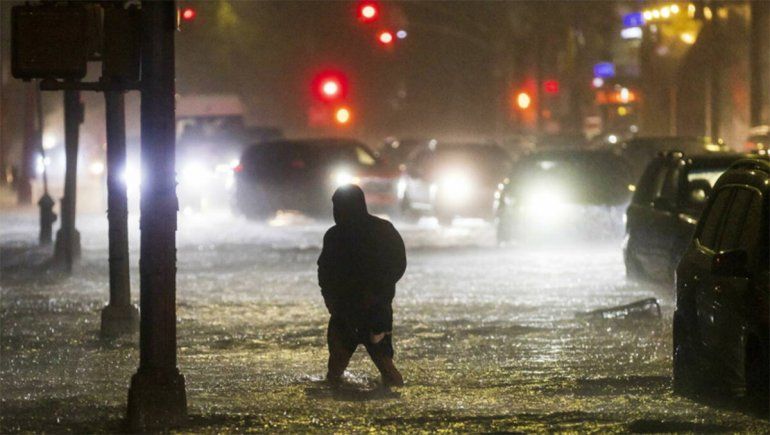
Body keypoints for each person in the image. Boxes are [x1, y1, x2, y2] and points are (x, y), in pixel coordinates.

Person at [318, 184, 407, 387]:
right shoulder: (384, 230)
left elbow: (325, 272)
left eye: (337, 207)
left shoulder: (335, 236)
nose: (335, 212)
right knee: (386, 368)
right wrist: (380, 292)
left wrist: (331, 300)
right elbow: (398, 265)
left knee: (335, 372)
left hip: (351, 311)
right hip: (372, 310)